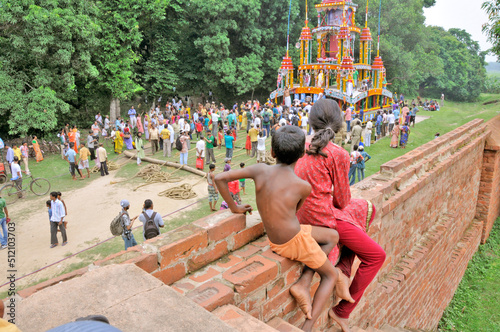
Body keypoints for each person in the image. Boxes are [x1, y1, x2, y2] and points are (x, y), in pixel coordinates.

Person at [215, 126, 339, 332]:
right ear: (301, 154)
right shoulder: (302, 186)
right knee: (331, 275)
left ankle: (305, 280)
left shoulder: (259, 169)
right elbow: (295, 212)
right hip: (292, 241)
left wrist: (235, 207)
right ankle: (307, 327)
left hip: (277, 239)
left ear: (272, 152)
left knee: (332, 236)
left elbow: (219, 178)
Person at [294, 99, 385, 332]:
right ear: (339, 123)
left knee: (366, 207)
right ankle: (342, 310)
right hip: (322, 219)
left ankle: (344, 270)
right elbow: (342, 201)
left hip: (298, 214)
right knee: (376, 256)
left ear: (311, 121)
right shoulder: (337, 153)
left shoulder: (298, 143)